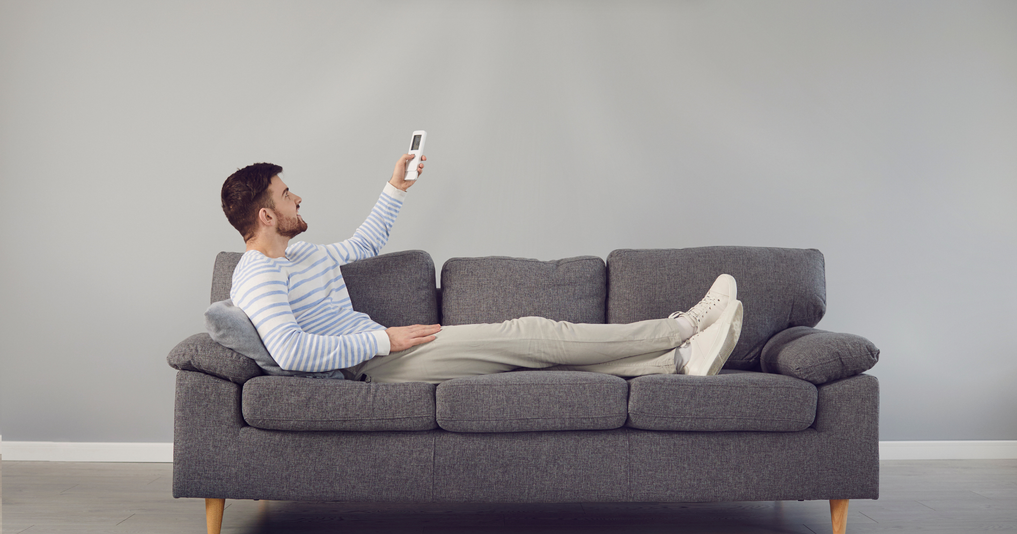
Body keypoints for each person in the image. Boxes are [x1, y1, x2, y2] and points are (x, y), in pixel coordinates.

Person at [220, 153, 743, 384]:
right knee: (532, 333)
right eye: (287, 194)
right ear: (266, 215)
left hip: (385, 351)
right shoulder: (260, 275)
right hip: (372, 367)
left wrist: (396, 187)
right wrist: (385, 342)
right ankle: (683, 326)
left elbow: (365, 242)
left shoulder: (301, 254)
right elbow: (289, 352)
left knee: (529, 355)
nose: (298, 197)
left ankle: (675, 364)